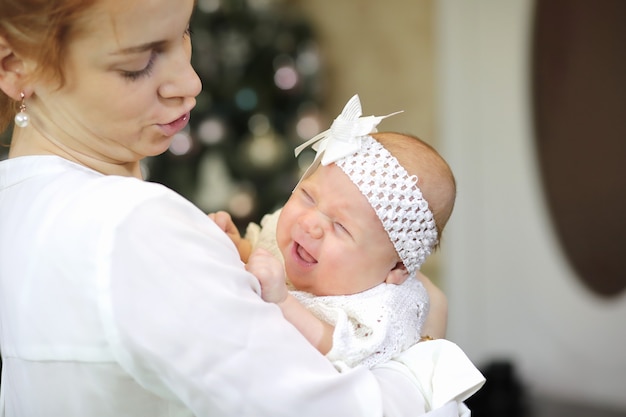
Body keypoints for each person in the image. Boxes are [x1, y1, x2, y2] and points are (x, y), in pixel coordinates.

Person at [0, 1, 473, 416]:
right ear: (14, 64)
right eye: (138, 63)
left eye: (183, 32)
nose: (190, 82)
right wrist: (427, 352)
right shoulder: (132, 225)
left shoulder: (17, 202)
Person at [211, 95, 485, 414]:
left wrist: (282, 301)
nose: (310, 223)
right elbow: (263, 252)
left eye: (341, 226)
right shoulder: (290, 236)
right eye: (308, 196)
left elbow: (339, 349)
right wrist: (236, 245)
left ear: (394, 268)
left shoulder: (383, 306)